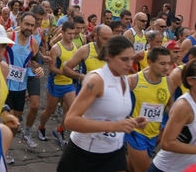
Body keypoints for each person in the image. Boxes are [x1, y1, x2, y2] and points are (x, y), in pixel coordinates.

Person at [57, 36, 147, 172]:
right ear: (109, 56)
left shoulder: (124, 79)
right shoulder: (96, 80)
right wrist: (114, 126)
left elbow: (110, 113)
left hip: (114, 151)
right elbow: (70, 121)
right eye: (124, 59)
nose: (130, 64)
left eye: (132, 59)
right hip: (86, 154)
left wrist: (131, 122)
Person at [148, 60, 196, 172]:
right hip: (167, 169)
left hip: (190, 168)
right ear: (190, 80)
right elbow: (166, 143)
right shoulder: (183, 106)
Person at [126, 46, 173, 172]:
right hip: (135, 133)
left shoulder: (169, 82)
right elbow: (117, 107)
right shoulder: (133, 81)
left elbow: (169, 107)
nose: (167, 67)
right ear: (150, 62)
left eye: (168, 63)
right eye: (162, 63)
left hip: (154, 134)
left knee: (130, 168)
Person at [4, 12, 44, 149]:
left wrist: (38, 68)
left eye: (32, 26)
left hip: (20, 87)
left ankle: (6, 147)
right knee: (9, 122)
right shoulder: (9, 37)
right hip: (5, 87)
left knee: (16, 123)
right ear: (20, 22)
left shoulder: (34, 43)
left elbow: (33, 61)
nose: (29, 28)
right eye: (27, 24)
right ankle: (1, 149)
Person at [37, 21, 77, 150]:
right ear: (63, 33)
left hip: (69, 84)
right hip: (56, 84)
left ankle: (59, 130)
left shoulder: (76, 47)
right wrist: (65, 72)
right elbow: (52, 68)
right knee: (50, 110)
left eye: (73, 33)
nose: (71, 36)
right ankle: (41, 127)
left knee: (72, 110)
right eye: (69, 33)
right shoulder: (56, 49)